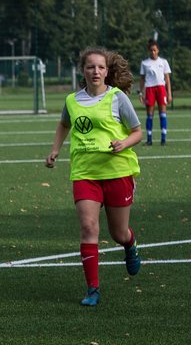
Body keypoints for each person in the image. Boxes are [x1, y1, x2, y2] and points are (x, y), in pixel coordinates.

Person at [45, 47, 143, 307]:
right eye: (90, 67)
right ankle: (93, 289)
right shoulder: (72, 100)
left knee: (118, 233)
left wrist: (124, 143)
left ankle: (130, 244)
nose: (95, 71)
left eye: (100, 67)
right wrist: (55, 150)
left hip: (117, 171)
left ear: (107, 71)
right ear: (83, 70)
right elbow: (64, 124)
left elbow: (137, 132)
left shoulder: (118, 98)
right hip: (85, 173)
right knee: (89, 227)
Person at [138, 40, 172, 146]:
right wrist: (141, 93)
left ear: (158, 50)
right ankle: (149, 139)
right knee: (149, 115)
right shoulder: (145, 63)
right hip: (149, 89)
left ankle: (163, 139)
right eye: (151, 50)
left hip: (161, 89)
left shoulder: (163, 62)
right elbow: (142, 79)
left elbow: (167, 79)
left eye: (155, 50)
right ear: (149, 51)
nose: (153, 52)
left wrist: (169, 93)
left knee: (162, 114)